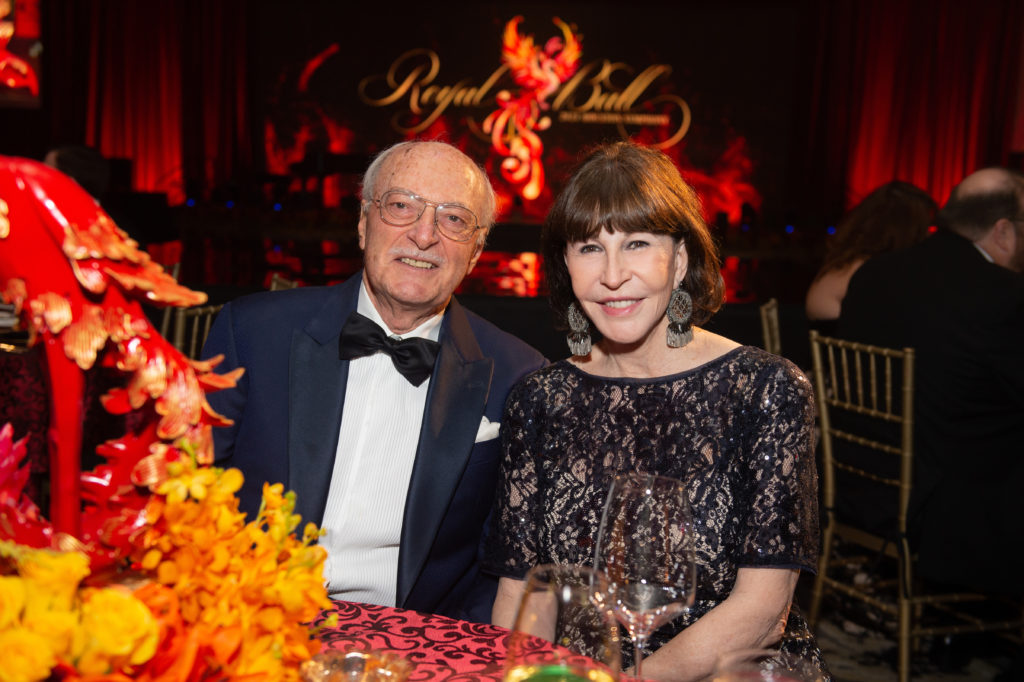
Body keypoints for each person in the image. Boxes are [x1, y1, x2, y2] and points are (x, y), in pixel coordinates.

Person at [484, 142, 828, 681]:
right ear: (566, 266)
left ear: (681, 259)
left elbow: (763, 610)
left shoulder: (765, 390)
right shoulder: (540, 400)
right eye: (589, 248)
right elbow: (525, 595)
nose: (613, 275)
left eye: (637, 243)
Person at [202, 140, 547, 623]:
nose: (424, 235)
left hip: (410, 644)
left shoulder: (520, 375)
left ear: (475, 252)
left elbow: (503, 565)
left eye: (454, 219)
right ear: (364, 223)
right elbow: (191, 491)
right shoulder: (252, 333)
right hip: (243, 618)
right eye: (402, 206)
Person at [836, 167, 1024, 597]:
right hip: (947, 504)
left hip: (860, 479)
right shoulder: (1004, 295)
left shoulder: (876, 273)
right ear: (1003, 231)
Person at [805, 180, 936, 326]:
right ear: (907, 230)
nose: (928, 235)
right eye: (926, 227)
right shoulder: (869, 269)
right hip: (843, 342)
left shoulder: (848, 261)